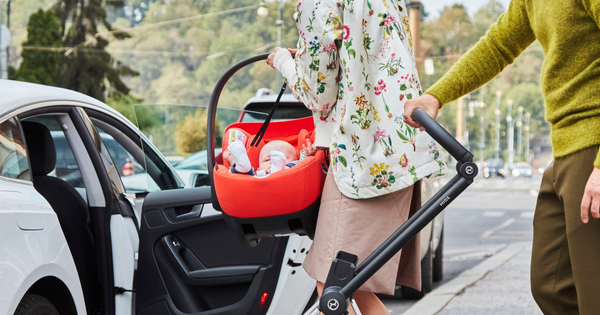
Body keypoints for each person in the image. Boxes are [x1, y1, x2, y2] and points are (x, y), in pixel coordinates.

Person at [403, 0, 600, 313]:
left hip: (592, 144)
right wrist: (436, 95)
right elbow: (497, 45)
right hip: (563, 147)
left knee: (594, 295)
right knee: (551, 284)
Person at [267, 0, 444, 314]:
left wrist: (283, 61)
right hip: (399, 145)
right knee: (352, 286)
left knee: (333, 286)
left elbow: (316, 93)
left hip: (364, 158)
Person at [223, 139, 317, 176]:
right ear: (259, 167)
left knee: (297, 167)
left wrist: (307, 155)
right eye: (267, 160)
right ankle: (241, 165)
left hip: (288, 179)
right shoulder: (259, 172)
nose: (271, 161)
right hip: (258, 184)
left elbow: (303, 165)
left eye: (283, 156)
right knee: (246, 174)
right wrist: (232, 160)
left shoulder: (296, 165)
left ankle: (278, 169)